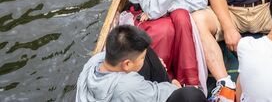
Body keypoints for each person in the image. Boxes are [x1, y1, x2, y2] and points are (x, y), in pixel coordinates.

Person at [76, 25, 206, 102]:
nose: (144, 60)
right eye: (142, 59)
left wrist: (150, 60)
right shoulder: (128, 85)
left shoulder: (94, 62)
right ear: (126, 64)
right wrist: (175, 86)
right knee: (191, 96)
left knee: (145, 49)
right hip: (124, 92)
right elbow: (163, 93)